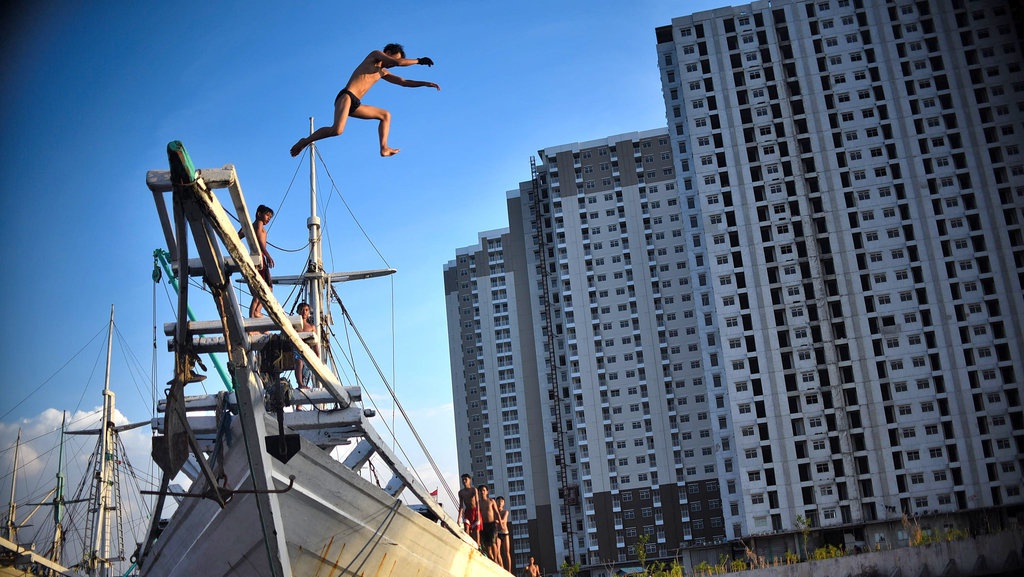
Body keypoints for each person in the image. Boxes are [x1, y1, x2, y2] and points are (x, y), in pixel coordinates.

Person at [290, 43, 440, 158]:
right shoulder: (374, 55)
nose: (393, 63)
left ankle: (384, 147)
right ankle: (305, 141)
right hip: (346, 96)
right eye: (394, 58)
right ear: (387, 53)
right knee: (337, 130)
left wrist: (424, 83)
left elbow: (403, 81)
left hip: (356, 104)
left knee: (385, 115)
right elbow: (398, 63)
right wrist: (419, 60)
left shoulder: (383, 72)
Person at [240, 205, 274, 318]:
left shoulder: (253, 225)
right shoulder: (258, 223)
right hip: (259, 257)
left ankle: (257, 312)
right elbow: (259, 242)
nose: (269, 218)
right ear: (259, 214)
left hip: (260, 257)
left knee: (267, 289)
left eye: (270, 217)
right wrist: (268, 256)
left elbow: (240, 234)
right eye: (267, 215)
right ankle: (254, 314)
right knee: (260, 290)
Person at [292, 302, 320, 391]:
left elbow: (315, 343)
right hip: (297, 349)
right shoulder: (294, 325)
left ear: (309, 312)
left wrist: (317, 355)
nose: (304, 312)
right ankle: (300, 383)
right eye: (302, 310)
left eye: (306, 310)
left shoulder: (311, 327)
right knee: (299, 363)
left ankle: (303, 386)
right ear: (298, 311)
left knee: (307, 371)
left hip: (307, 351)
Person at [457, 474, 481, 544]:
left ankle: (478, 545)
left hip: (475, 511)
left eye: (466, 479)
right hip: (467, 512)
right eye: (463, 480)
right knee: (466, 528)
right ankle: (467, 543)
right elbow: (461, 506)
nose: (464, 481)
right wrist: (459, 518)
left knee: (476, 531)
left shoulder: (473, 490)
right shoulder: (461, 492)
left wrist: (478, 514)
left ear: (469, 480)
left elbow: (477, 503)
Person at [478, 485, 500, 561]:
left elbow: (497, 512)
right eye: (480, 491)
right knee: (487, 545)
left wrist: (500, 523)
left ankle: (496, 559)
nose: (482, 492)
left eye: (484, 490)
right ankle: (492, 559)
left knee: (493, 542)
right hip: (484, 525)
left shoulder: (491, 501)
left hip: (492, 524)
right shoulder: (479, 503)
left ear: (487, 492)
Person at [495, 496, 511, 572]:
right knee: (497, 551)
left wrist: (497, 521)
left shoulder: (505, 512)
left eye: (501, 502)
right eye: (498, 501)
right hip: (498, 533)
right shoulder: (494, 513)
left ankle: (509, 571)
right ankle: (502, 568)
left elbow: (504, 520)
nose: (499, 503)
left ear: (504, 503)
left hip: (505, 533)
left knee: (507, 552)